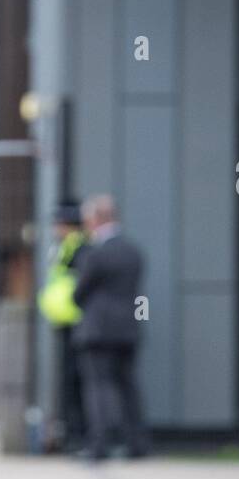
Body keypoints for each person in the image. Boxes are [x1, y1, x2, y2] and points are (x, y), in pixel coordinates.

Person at [72, 193, 149, 461]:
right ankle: (137, 444)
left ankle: (99, 445)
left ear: (95, 219)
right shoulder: (134, 251)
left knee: (98, 386)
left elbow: (79, 292)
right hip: (128, 329)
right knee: (128, 386)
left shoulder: (95, 253)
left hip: (97, 330)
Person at [38, 201, 89, 452]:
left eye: (59, 224)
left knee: (77, 381)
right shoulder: (65, 247)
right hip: (66, 322)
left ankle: (80, 437)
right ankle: (74, 435)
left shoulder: (80, 248)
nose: (55, 229)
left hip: (79, 323)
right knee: (70, 381)